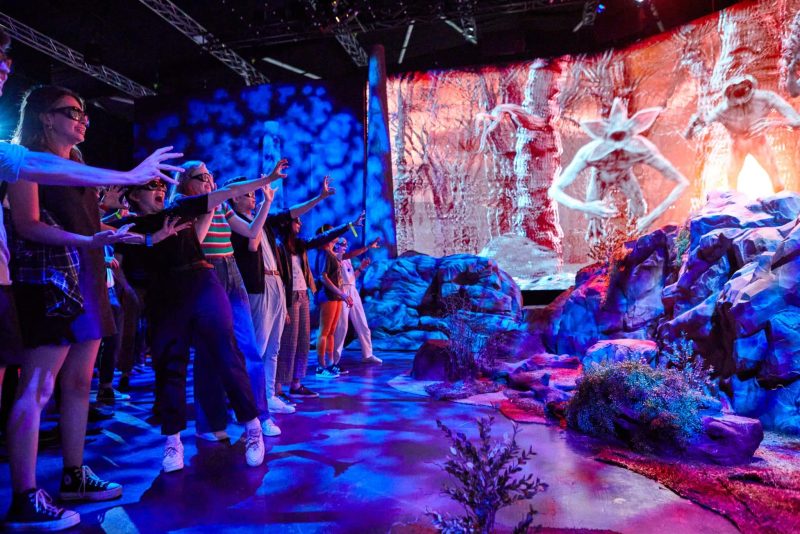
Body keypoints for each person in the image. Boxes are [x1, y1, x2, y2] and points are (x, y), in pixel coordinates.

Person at [2, 82, 180, 532]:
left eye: (84, 113)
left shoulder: (78, 161)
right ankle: (24, 496)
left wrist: (125, 235)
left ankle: (74, 474)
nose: (82, 119)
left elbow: (90, 221)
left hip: (87, 272)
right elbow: (27, 225)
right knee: (38, 385)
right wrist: (88, 239)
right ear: (46, 118)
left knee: (79, 381)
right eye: (72, 112)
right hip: (52, 278)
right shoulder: (24, 161)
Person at [114, 160, 288, 474]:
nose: (159, 189)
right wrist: (150, 239)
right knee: (170, 366)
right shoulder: (129, 227)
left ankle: (252, 427)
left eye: (161, 184)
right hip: (165, 296)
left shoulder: (178, 208)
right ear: (134, 195)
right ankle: (172, 442)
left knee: (228, 353)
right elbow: (99, 230)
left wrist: (268, 179)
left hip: (202, 281)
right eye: (151, 185)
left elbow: (228, 192)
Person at [174, 162, 279, 439]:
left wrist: (266, 203)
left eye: (211, 175)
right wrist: (209, 207)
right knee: (208, 352)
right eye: (203, 177)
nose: (210, 180)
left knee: (249, 348)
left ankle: (260, 415)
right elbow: (194, 242)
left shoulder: (221, 203)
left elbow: (251, 232)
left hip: (232, 270)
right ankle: (210, 424)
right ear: (186, 181)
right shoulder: (183, 204)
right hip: (206, 271)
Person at [230, 175, 338, 409]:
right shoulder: (236, 221)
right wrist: (266, 205)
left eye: (254, 194)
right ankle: (250, 401)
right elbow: (251, 244)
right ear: (235, 198)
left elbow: (291, 212)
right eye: (248, 194)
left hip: (276, 282)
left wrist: (319, 197)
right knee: (258, 347)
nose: (253, 198)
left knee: (274, 348)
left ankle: (269, 395)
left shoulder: (265, 220)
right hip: (258, 285)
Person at [274, 208, 364, 396]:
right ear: (287, 224)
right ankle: (279, 387)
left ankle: (297, 383)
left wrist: (350, 226)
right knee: (290, 341)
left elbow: (325, 240)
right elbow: (321, 275)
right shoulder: (280, 246)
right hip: (293, 295)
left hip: (303, 294)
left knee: (304, 341)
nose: (300, 224)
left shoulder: (300, 244)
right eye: (296, 221)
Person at [332, 236, 382, 369]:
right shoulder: (335, 256)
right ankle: (334, 360)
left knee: (362, 323)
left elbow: (351, 278)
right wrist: (368, 247)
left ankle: (367, 355)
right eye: (342, 244)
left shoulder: (347, 260)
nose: (345, 246)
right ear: (335, 245)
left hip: (352, 290)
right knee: (342, 327)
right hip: (342, 291)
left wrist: (361, 268)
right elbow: (349, 255)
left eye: (346, 244)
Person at [314, 225, 352, 379]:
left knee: (331, 332)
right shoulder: (324, 252)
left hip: (335, 295)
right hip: (327, 295)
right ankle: (320, 366)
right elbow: (323, 277)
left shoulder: (331, 253)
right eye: (332, 231)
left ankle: (330, 363)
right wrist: (340, 293)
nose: (336, 233)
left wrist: (342, 294)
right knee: (324, 331)